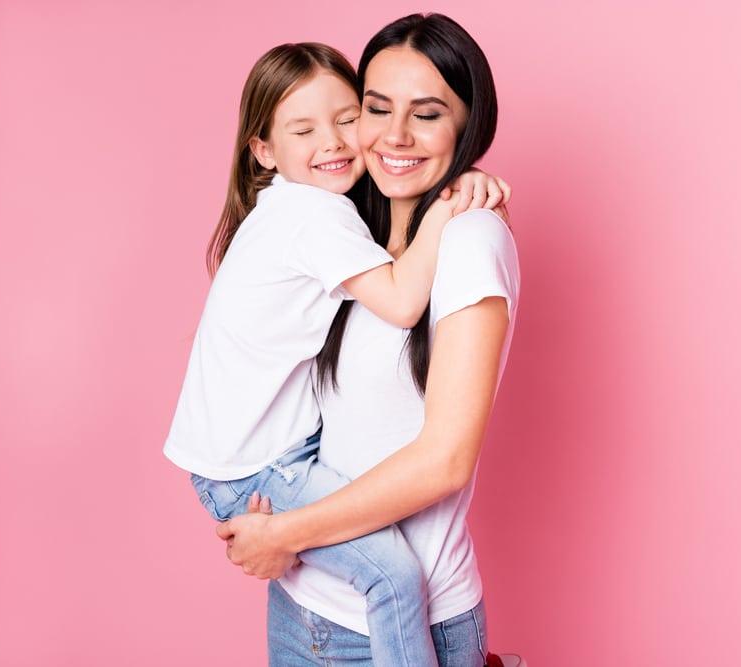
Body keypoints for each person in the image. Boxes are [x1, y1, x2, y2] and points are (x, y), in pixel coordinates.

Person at [164, 42, 508, 667]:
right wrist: (448, 199)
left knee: (397, 575)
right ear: (264, 151)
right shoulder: (334, 221)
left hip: (356, 604)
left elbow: (445, 460)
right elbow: (400, 300)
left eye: (346, 117)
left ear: (468, 124)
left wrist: (459, 196)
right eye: (375, 109)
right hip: (301, 593)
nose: (344, 140)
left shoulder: (460, 239)